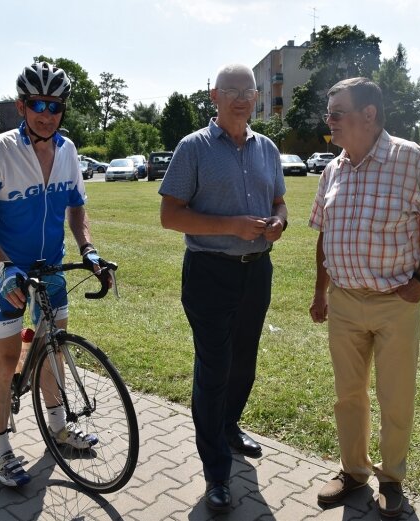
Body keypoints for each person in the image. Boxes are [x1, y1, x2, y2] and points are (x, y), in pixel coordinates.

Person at [309, 77, 420, 516]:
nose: (330, 121)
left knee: (396, 395)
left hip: (396, 303)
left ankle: (391, 479)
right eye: (329, 113)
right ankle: (354, 470)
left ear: (368, 115)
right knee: (348, 394)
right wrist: (320, 291)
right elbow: (324, 236)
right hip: (344, 302)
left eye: (337, 113)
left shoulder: (410, 160)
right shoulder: (332, 169)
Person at [0, 62, 106, 487]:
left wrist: (88, 248)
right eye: (37, 105)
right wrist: (4, 267)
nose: (46, 114)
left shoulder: (68, 152)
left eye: (55, 106)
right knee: (6, 360)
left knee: (53, 346)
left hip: (52, 268)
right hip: (7, 268)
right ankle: (1, 450)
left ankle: (59, 428)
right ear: (22, 106)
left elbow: (77, 206)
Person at [158, 63, 287, 513]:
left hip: (257, 271)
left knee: (244, 361)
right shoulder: (192, 148)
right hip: (210, 272)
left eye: (247, 91)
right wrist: (231, 225)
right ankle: (216, 471)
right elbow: (170, 215)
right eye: (230, 90)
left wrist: (280, 223)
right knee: (213, 370)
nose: (240, 98)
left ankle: (229, 426)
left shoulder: (267, 148)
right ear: (214, 95)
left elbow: (279, 201)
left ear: (256, 98)